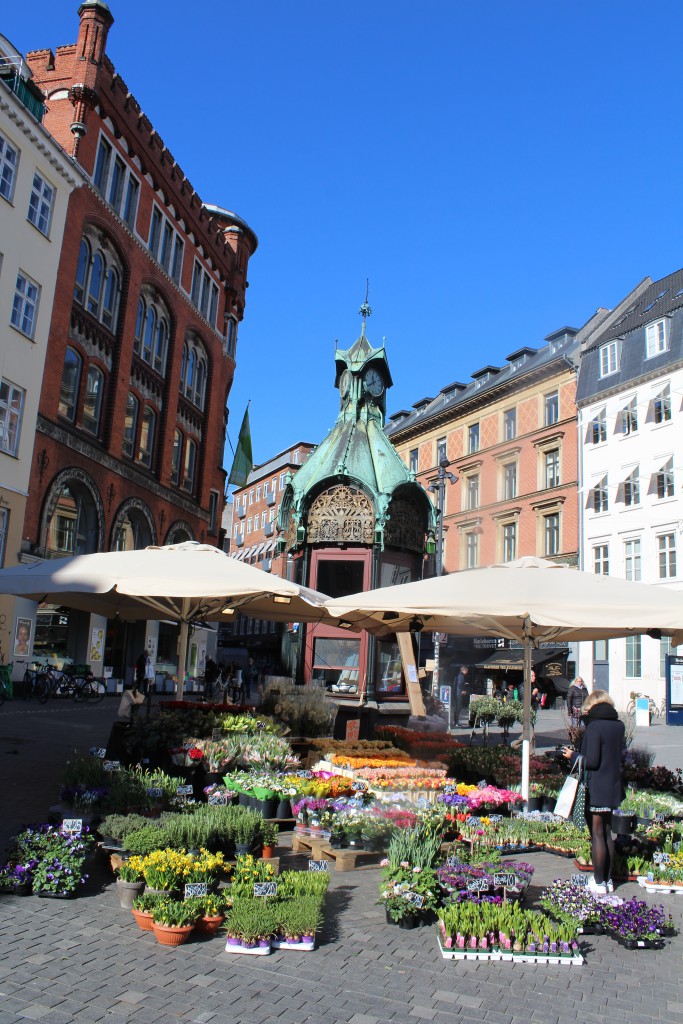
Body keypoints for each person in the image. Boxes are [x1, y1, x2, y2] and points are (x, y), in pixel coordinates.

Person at [562, 689, 625, 895]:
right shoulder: (619, 725)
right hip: (614, 785)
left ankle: (598, 882)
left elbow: (592, 761)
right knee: (607, 833)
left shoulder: (594, 727)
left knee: (596, 833)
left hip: (597, 785)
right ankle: (607, 880)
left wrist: (572, 755)